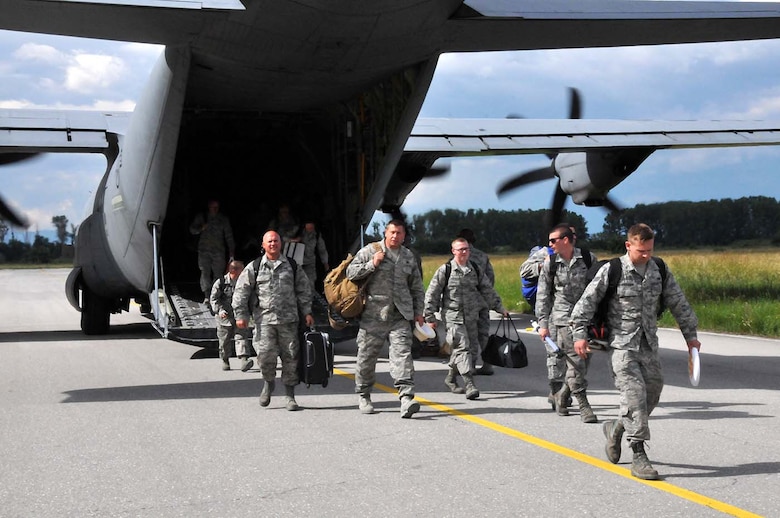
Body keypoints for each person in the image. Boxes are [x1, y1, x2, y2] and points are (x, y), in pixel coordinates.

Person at [570, 223, 700, 480]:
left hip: (648, 344)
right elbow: (586, 303)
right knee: (635, 396)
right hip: (621, 346)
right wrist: (579, 335)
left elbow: (678, 301)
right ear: (628, 245)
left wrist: (691, 337)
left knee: (652, 393)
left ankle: (616, 429)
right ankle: (639, 453)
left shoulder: (659, 269)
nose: (646, 255)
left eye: (650, 250)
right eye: (641, 250)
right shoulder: (612, 270)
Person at [346, 219, 425, 418]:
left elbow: (416, 287)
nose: (395, 236)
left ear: (404, 235)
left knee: (402, 355)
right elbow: (350, 273)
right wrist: (372, 264)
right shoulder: (370, 251)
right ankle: (364, 394)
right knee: (366, 357)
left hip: (400, 315)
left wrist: (419, 312)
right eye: (392, 232)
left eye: (399, 233)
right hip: (374, 314)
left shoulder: (408, 257)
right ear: (385, 232)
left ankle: (406, 398)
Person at [233, 231, 314, 411]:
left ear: (280, 244)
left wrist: (307, 311)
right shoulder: (254, 267)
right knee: (265, 357)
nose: (273, 244)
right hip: (265, 321)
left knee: (290, 358)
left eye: (276, 241)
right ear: (263, 245)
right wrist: (241, 315)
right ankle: (268, 383)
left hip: (289, 321)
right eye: (269, 241)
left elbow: (303, 289)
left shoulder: (292, 266)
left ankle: (290, 395)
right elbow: (241, 292)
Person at [424, 237, 509, 399]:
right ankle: (469, 384)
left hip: (471, 317)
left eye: (466, 249)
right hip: (453, 317)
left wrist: (499, 307)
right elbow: (432, 293)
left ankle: (450, 378)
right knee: (462, 347)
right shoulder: (446, 270)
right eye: (460, 249)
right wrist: (429, 316)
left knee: (467, 350)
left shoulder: (475, 269)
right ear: (453, 251)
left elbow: (487, 290)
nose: (463, 252)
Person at [535, 224, 598, 422]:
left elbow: (599, 289)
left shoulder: (588, 259)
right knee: (576, 359)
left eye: (553, 240)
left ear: (566, 240)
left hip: (586, 317)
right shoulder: (550, 263)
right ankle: (583, 404)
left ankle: (563, 393)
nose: (550, 244)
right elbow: (543, 294)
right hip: (562, 318)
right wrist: (543, 323)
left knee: (584, 359)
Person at [455, 228, 496, 375]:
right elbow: (490, 278)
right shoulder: (483, 256)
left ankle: (470, 365)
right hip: (483, 301)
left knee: (469, 335)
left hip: (467, 304)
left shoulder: (458, 256)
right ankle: (488, 364)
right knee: (483, 333)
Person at [210, 260, 254, 372]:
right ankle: (225, 359)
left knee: (241, 336)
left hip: (240, 315)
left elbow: (250, 297)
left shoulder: (245, 282)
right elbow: (214, 299)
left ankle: (244, 359)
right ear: (233, 270)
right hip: (224, 317)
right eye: (242, 270)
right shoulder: (221, 283)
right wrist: (220, 311)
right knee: (224, 341)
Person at [189, 199, 235, 303]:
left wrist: (231, 251)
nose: (215, 209)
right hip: (204, 251)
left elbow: (229, 236)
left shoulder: (223, 219)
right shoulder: (202, 217)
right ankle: (206, 294)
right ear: (209, 207)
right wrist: (201, 228)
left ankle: (215, 296)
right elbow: (192, 230)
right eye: (213, 207)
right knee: (205, 272)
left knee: (218, 274)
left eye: (217, 207)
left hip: (218, 251)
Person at [300, 220, 329, 293]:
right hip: (297, 262)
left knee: (310, 283)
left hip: (310, 262)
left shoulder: (316, 235)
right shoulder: (297, 231)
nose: (310, 229)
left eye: (312, 227)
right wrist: (294, 240)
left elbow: (322, 249)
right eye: (308, 227)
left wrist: (325, 262)